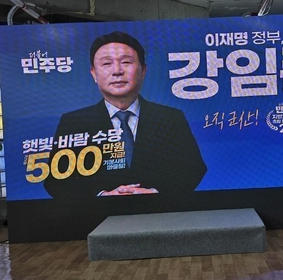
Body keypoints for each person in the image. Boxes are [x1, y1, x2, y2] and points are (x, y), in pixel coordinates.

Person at [44, 31, 207, 199]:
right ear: (93, 73)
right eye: (106, 63)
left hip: (159, 211)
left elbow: (194, 168)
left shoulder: (171, 118)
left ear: (143, 70)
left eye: (126, 62)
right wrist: (101, 196)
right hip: (99, 213)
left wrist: (156, 193)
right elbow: (56, 181)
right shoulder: (74, 122)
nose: (117, 71)